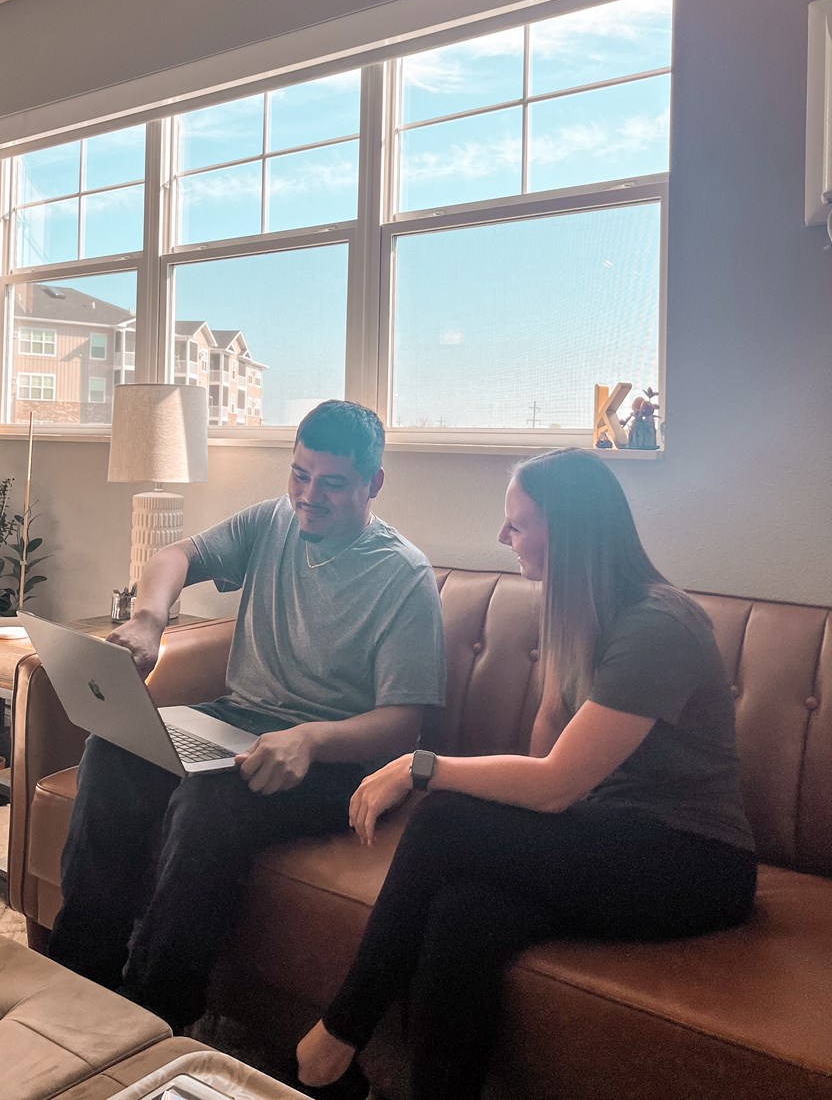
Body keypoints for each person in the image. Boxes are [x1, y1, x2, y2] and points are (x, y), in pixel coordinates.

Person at [297, 447, 756, 1100]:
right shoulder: (574, 612)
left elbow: (556, 783)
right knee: (464, 912)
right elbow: (548, 756)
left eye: (516, 523)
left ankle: (336, 1037)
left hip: (695, 861)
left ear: (565, 531)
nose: (502, 537)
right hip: (610, 831)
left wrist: (421, 765)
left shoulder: (659, 625)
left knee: (444, 817)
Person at [47, 399, 446, 1038]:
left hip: (338, 759)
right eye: (299, 476)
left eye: (332, 483)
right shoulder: (273, 522)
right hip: (239, 720)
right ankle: (78, 972)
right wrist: (150, 619)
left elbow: (404, 726)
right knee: (113, 746)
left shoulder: (403, 576)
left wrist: (311, 740)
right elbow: (175, 555)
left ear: (373, 483)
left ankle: (152, 1015)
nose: (309, 497)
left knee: (211, 801)